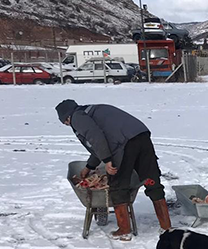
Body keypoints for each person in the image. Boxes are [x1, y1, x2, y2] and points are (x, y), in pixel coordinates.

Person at [56, 99, 171, 240]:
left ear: (67, 118)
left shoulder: (77, 117)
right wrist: (89, 166)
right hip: (141, 136)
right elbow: (98, 143)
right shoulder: (93, 110)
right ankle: (166, 227)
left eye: (65, 123)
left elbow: (95, 136)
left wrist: (108, 160)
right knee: (151, 179)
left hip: (124, 144)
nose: (68, 125)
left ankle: (124, 230)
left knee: (118, 184)